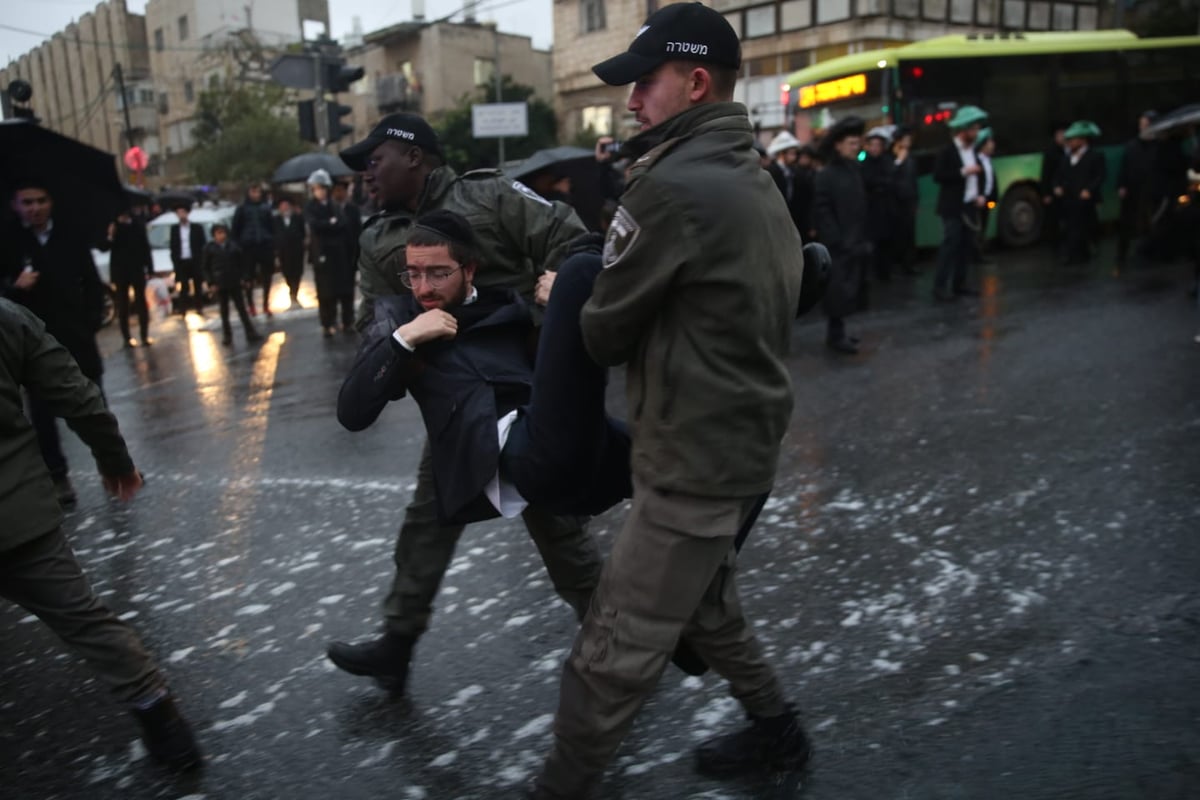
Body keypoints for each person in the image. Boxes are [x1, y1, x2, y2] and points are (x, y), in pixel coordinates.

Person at [529, 4, 808, 796]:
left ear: (692, 84)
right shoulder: (750, 174)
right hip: (738, 443)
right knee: (709, 606)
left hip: (691, 462)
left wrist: (562, 293)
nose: (629, 103)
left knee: (609, 654)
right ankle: (776, 729)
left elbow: (604, 334)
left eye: (642, 85)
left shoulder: (670, 188)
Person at [324, 112, 597, 695]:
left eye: (375, 161)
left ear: (414, 156)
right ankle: (397, 643)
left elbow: (573, 245)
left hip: (527, 392)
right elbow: (377, 322)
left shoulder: (489, 194)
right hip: (455, 402)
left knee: (558, 527)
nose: (367, 175)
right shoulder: (378, 238)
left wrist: (548, 326)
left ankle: (616, 644)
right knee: (427, 519)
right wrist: (396, 356)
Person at [0, 297, 201, 771]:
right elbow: (77, 395)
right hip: (16, 514)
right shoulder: (8, 317)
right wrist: (115, 461)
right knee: (86, 622)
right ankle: (163, 721)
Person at [338, 210, 629, 523]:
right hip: (500, 449)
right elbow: (352, 413)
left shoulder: (507, 304)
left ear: (469, 270)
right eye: (413, 274)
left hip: (557, 435)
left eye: (438, 273)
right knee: (580, 269)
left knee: (665, 464)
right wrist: (405, 337)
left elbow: (561, 370)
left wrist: (555, 304)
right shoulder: (400, 321)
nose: (423, 288)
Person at [1, 179, 106, 510]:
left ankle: (112, 464)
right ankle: (57, 475)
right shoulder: (9, 240)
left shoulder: (69, 236)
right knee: (43, 415)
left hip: (76, 336)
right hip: (31, 342)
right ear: (16, 205)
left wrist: (89, 322)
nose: (34, 208)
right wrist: (13, 285)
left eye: (40, 200)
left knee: (94, 403)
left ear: (51, 202)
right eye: (26, 202)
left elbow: (92, 284)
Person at [814, 116, 869, 353]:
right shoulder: (826, 174)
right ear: (838, 145)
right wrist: (835, 239)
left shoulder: (854, 170)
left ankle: (840, 332)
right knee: (837, 290)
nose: (856, 148)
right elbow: (822, 210)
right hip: (838, 244)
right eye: (851, 143)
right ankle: (835, 336)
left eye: (858, 143)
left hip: (855, 239)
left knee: (850, 288)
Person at [932, 105, 988, 301]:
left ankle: (960, 284)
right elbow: (938, 176)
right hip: (953, 207)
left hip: (969, 205)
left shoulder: (973, 150)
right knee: (950, 247)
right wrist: (963, 172)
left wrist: (980, 195)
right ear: (964, 131)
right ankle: (940, 287)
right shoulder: (947, 151)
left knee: (965, 247)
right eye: (973, 129)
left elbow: (978, 176)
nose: (976, 133)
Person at [304, 170, 354, 337]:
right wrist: (329, 223)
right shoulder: (311, 207)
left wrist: (331, 224)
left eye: (323, 188)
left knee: (345, 290)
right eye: (317, 188)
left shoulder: (334, 205)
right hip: (322, 254)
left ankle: (347, 321)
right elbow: (315, 226)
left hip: (339, 254)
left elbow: (343, 223)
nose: (321, 191)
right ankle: (328, 323)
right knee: (326, 293)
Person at [1054, 120, 1106, 265]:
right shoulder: (1067, 158)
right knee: (1070, 227)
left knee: (1084, 227)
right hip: (1069, 199)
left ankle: (1084, 253)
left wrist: (1089, 190)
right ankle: (1072, 255)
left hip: (1085, 200)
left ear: (1082, 140)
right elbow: (1059, 176)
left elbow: (1100, 176)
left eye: (1072, 140)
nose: (1070, 143)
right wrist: (1057, 187)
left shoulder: (1095, 156)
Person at [201, 223, 262, 346]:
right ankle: (227, 335)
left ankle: (250, 332)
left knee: (241, 309)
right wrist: (211, 282)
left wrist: (245, 278)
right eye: (218, 233)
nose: (221, 236)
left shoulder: (233, 246)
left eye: (223, 232)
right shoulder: (209, 248)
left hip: (234, 281)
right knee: (224, 311)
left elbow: (241, 263)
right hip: (220, 282)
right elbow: (205, 268)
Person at [104, 209, 154, 347]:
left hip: (136, 270)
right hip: (120, 272)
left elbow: (145, 246)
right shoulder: (113, 225)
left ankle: (144, 335)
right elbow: (103, 246)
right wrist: (110, 235)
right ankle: (126, 338)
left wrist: (150, 268)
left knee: (141, 303)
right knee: (123, 304)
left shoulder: (137, 224)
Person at [1117, 111, 1158, 265]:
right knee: (1127, 224)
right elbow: (1124, 167)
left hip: (1150, 191)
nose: (1143, 128)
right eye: (1141, 124)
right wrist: (1121, 185)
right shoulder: (1132, 145)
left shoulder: (1158, 146)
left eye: (1146, 125)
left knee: (1148, 223)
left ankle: (1146, 254)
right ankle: (1122, 254)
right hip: (1132, 190)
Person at [230, 183, 275, 316]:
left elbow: (271, 227)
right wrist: (238, 246)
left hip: (264, 245)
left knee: (267, 276)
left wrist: (272, 242)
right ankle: (251, 305)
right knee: (248, 277)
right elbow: (235, 230)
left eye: (258, 192)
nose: (256, 195)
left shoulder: (265, 208)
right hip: (248, 247)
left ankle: (266, 304)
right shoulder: (242, 209)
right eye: (253, 192)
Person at [861, 125, 895, 282]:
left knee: (886, 243)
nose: (874, 148)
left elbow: (890, 181)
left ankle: (885, 272)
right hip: (870, 210)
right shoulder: (864, 163)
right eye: (872, 145)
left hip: (886, 210)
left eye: (877, 145)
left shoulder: (887, 161)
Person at [332, 180, 363, 331]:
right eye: (336, 190)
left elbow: (357, 231)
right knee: (332, 289)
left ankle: (348, 319)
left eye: (341, 190)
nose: (338, 193)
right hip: (334, 256)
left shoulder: (352, 209)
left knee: (348, 289)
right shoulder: (329, 208)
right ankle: (332, 319)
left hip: (349, 254)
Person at [891, 127, 920, 275]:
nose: (909, 142)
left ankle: (910, 264)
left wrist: (916, 200)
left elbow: (913, 181)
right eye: (906, 139)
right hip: (897, 204)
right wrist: (898, 161)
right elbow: (890, 177)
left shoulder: (910, 157)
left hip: (909, 202)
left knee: (910, 235)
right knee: (900, 235)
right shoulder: (892, 156)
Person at [169, 203, 207, 316]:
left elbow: (202, 245)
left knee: (197, 285)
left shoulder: (196, 228)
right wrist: (175, 260)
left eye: (183, 212)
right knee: (183, 286)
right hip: (182, 261)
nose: (181, 215)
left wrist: (201, 260)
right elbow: (173, 246)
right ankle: (183, 309)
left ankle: (199, 307)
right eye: (179, 213)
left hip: (194, 260)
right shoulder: (174, 229)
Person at [273, 197, 306, 309]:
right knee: (287, 273)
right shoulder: (276, 220)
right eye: (283, 206)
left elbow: (303, 233)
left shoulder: (297, 218)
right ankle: (291, 293)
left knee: (297, 273)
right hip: (283, 252)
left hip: (296, 250)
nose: (285, 208)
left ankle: (294, 294)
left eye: (286, 206)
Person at [1041, 122, 1068, 246]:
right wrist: (1046, 193)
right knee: (1054, 218)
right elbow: (1046, 174)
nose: (1062, 137)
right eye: (1059, 135)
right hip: (1054, 190)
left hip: (1067, 190)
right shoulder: (1051, 152)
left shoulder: (1069, 150)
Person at [974, 127, 999, 262]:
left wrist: (993, 200)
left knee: (984, 224)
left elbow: (991, 181)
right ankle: (976, 254)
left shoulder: (988, 160)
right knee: (976, 226)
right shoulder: (976, 160)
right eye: (990, 142)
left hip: (988, 199)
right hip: (978, 200)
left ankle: (980, 252)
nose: (992, 145)